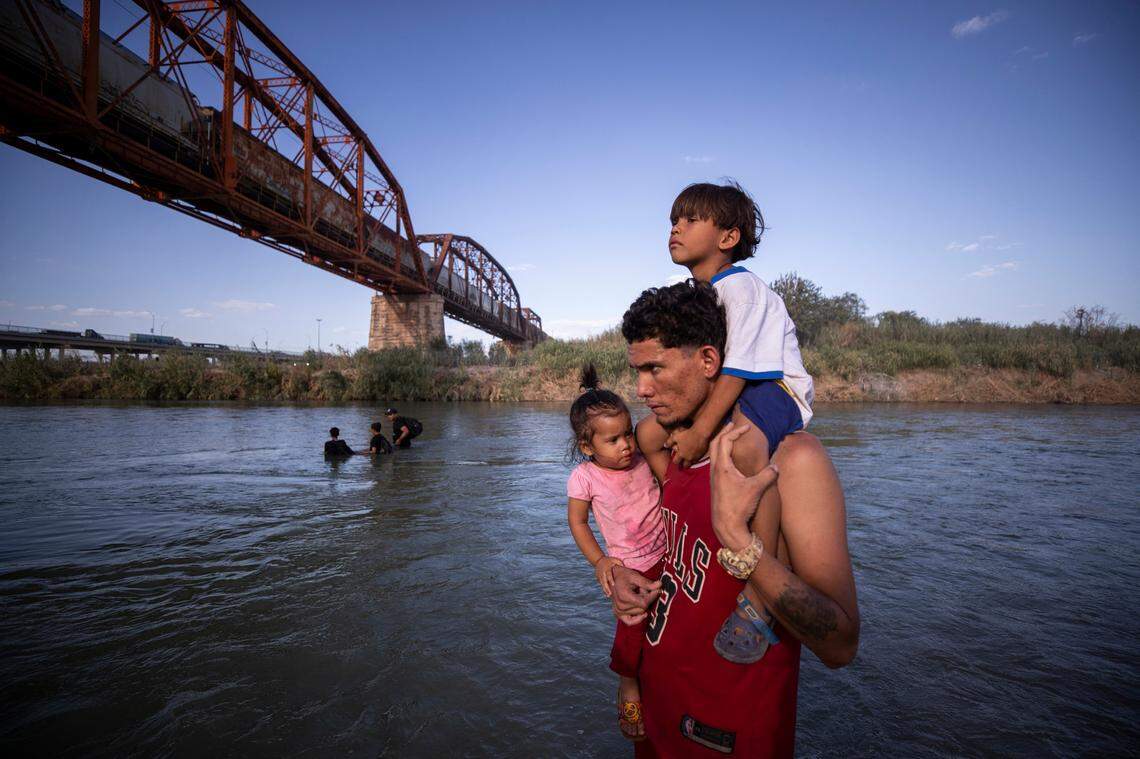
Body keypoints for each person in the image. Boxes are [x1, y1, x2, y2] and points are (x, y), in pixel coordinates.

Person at [613, 280, 859, 757]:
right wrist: (624, 577)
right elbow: (682, 565)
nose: (640, 389)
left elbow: (841, 644)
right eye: (636, 371)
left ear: (709, 361)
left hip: (725, 736)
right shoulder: (680, 447)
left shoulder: (792, 462)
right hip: (656, 716)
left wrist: (741, 545)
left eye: (654, 369)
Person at [640, 180, 816, 664]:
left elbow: (737, 370)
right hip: (738, 383)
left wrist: (699, 432)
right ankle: (682, 504)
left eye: (690, 219)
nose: (675, 227)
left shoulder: (741, 288)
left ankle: (762, 583)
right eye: (673, 219)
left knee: (743, 445)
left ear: (728, 237)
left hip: (777, 388)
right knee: (647, 434)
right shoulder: (701, 293)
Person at [565, 364, 668, 742]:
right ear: (587, 447)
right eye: (613, 440)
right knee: (631, 630)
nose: (626, 444)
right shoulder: (585, 477)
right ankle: (628, 688)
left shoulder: (643, 457)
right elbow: (577, 522)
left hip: (668, 557)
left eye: (627, 433)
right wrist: (601, 561)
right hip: (629, 567)